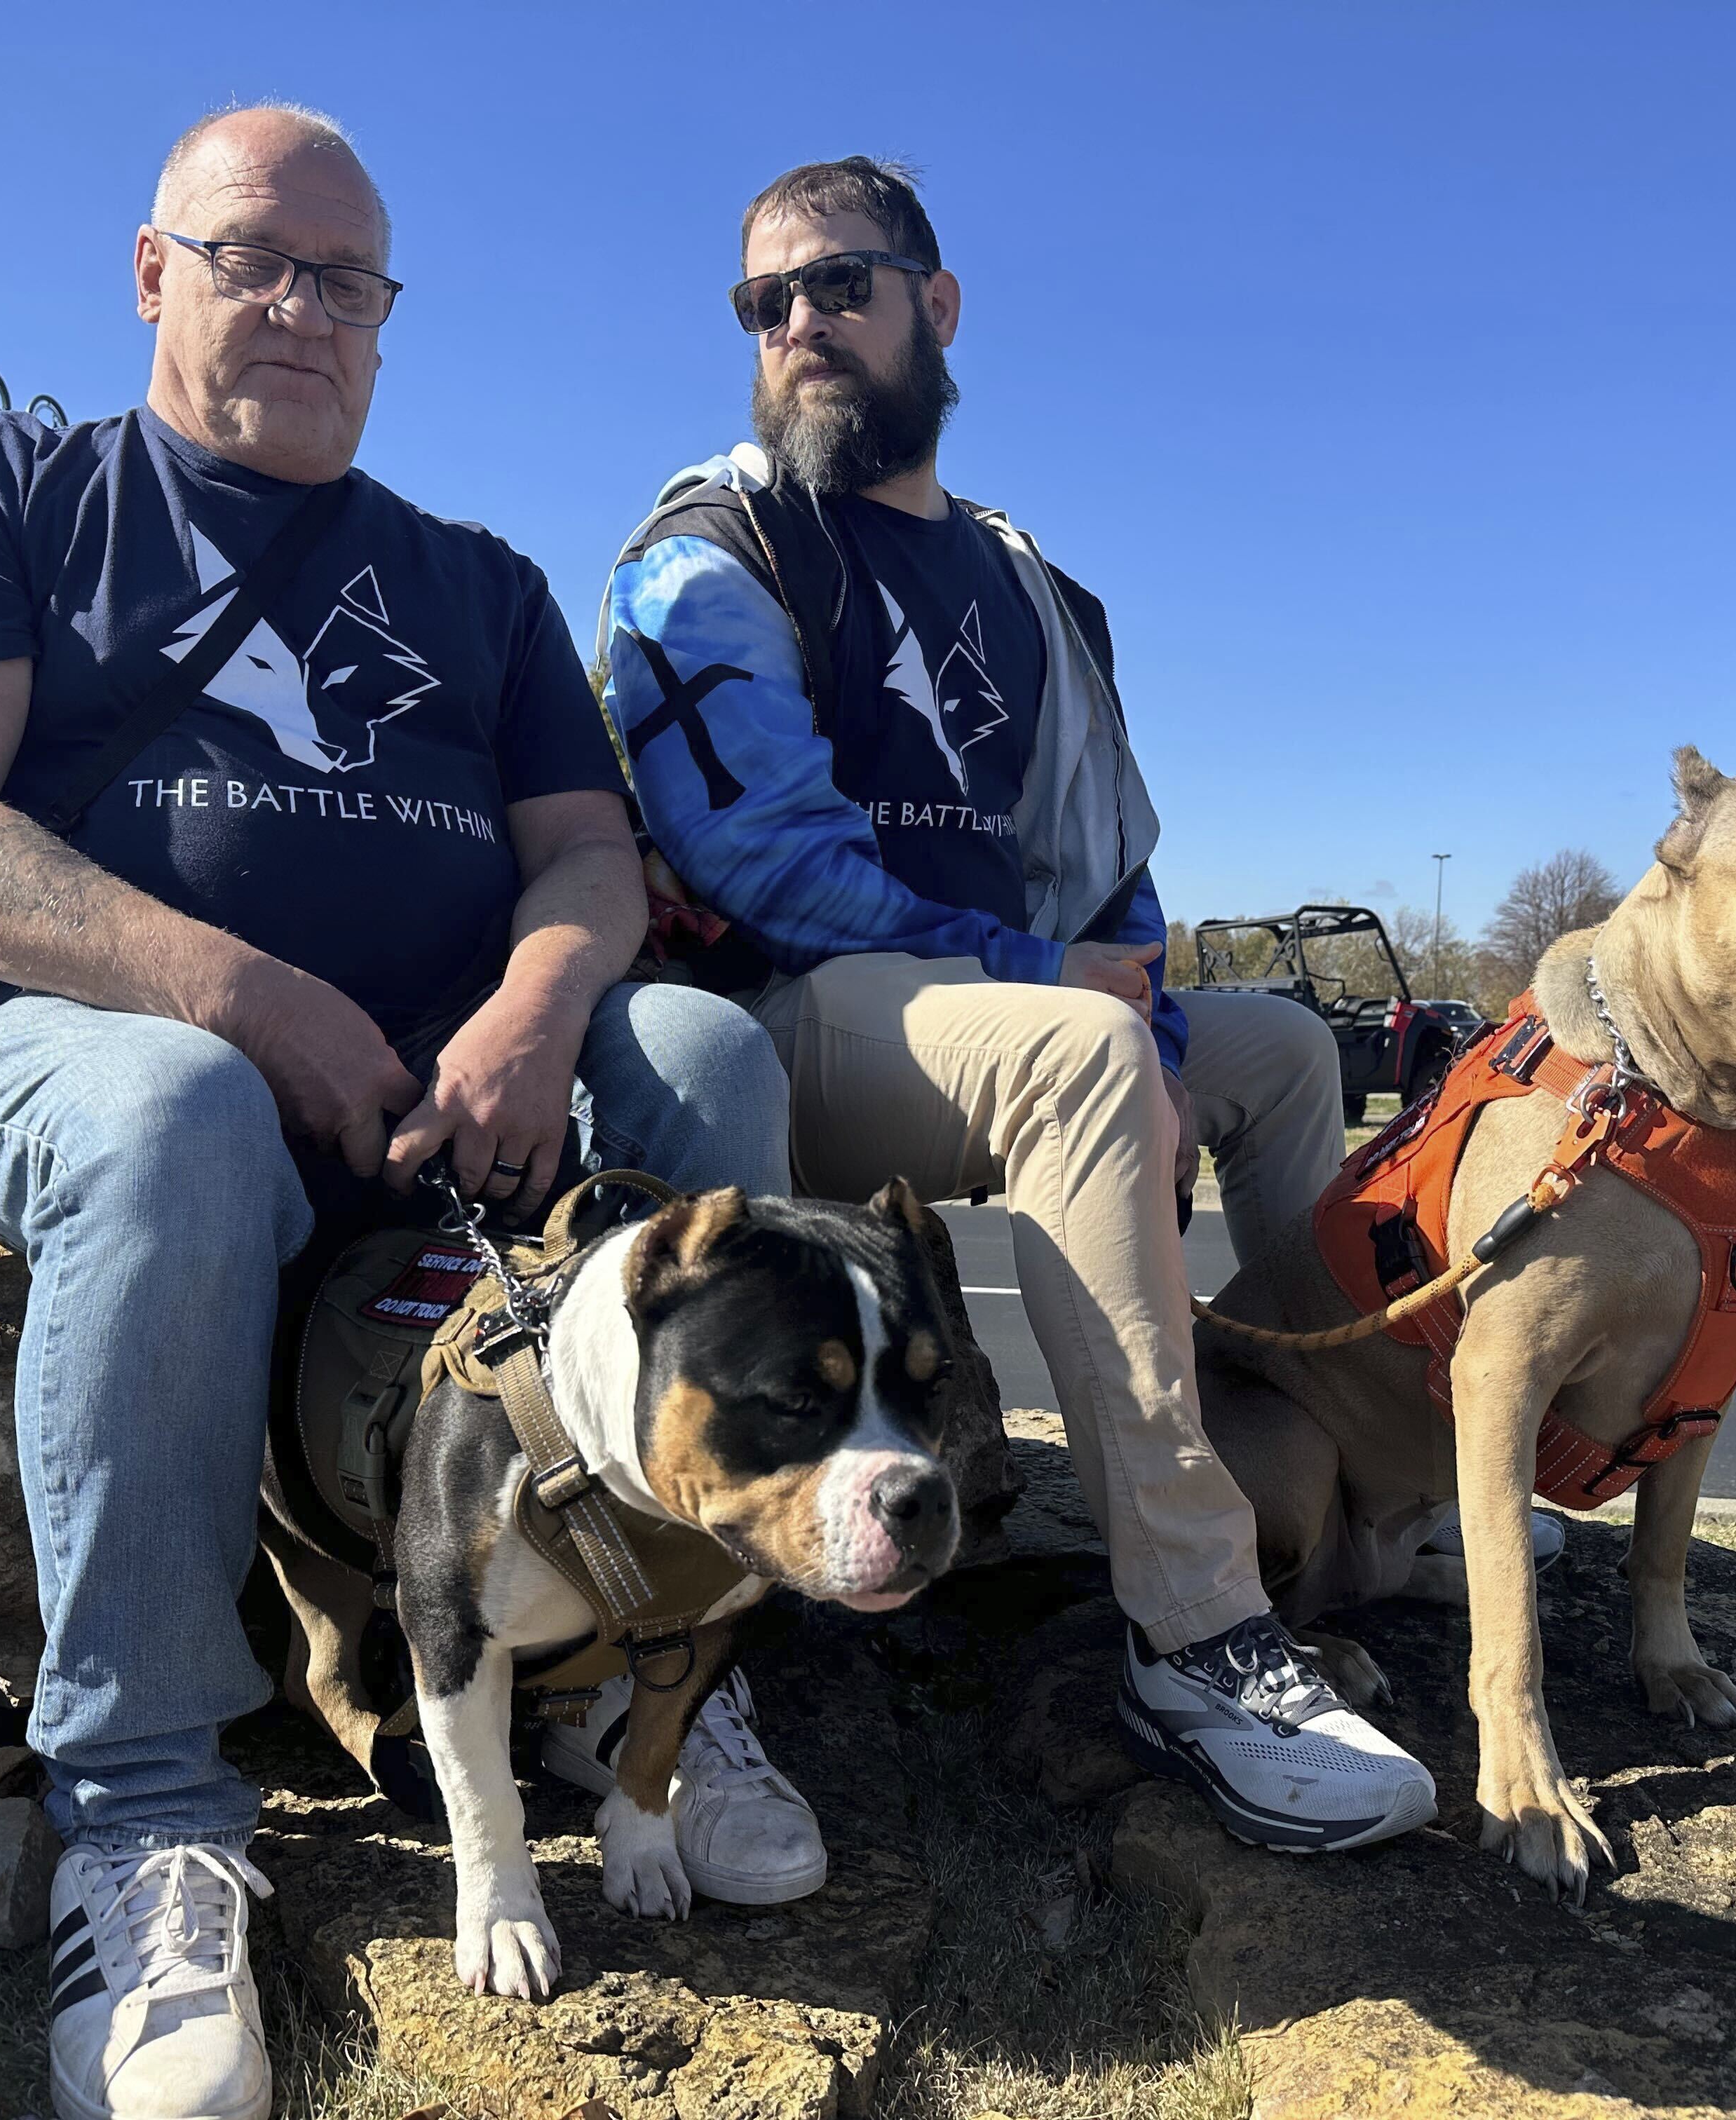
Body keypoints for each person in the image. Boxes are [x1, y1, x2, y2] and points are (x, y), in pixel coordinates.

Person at [0, 105, 790, 2120]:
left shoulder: (478, 584)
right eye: (255, 258)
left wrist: (533, 1008)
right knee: (180, 1109)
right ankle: (149, 1815)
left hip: (461, 1089)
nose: (305, 311)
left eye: (350, 281)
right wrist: (250, 999)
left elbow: (589, 863)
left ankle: (661, 1676)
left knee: (708, 1057)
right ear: (151, 270)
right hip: (86, 1053)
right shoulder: (3, 488)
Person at [599, 158, 1445, 1855]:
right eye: (763, 306)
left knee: (1279, 1048)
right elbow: (756, 854)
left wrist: (1126, 964)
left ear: (938, 303)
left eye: (839, 285)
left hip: (1015, 1004)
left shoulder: (1035, 585)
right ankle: (1196, 1633)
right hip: (796, 1014)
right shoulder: (713, 548)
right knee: (1080, 1053)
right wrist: (1048, 981)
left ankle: (1383, 1491)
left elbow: (1105, 850)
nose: (799, 328)